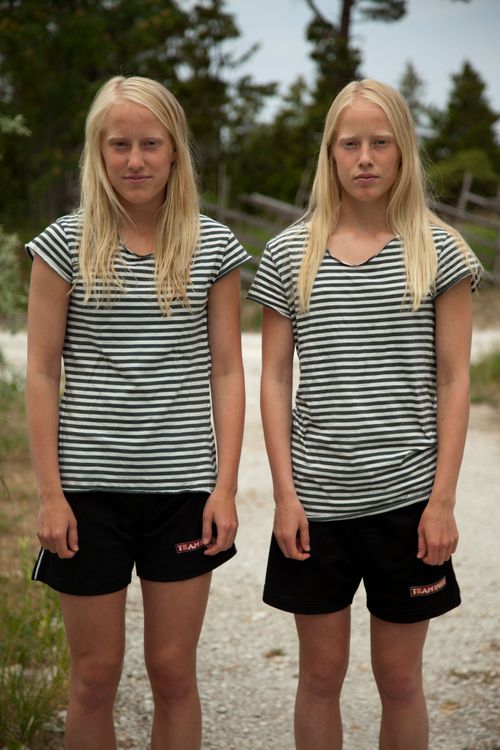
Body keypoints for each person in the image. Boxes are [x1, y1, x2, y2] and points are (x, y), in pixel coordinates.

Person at [247, 78, 482, 750]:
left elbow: (454, 380)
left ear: (403, 150)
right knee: (320, 676)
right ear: (330, 153)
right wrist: (285, 496)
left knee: (400, 680)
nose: (366, 158)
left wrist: (441, 502)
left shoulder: (440, 251)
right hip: (316, 505)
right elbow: (274, 379)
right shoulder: (291, 253)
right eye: (350, 144)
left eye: (381, 142)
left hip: (408, 503)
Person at [26, 75, 251, 750]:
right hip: (86, 494)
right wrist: (50, 495)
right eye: (119, 144)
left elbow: (227, 370)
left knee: (174, 675)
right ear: (97, 151)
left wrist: (224, 488)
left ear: (175, 150)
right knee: (94, 678)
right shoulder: (62, 246)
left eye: (150, 144)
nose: (135, 160)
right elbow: (41, 372)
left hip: (182, 493)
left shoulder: (214, 247)